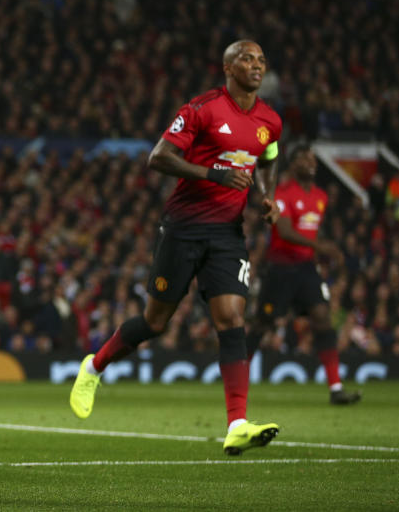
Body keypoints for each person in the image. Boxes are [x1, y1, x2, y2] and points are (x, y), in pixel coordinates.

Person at [70, 40, 283, 455]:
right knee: (155, 322)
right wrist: (213, 174)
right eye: (247, 59)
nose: (256, 65)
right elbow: (158, 157)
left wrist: (266, 196)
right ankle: (94, 367)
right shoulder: (202, 109)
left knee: (231, 319)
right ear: (227, 67)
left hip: (227, 232)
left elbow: (269, 157)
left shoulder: (270, 120)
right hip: (183, 227)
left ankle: (237, 422)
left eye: (261, 59)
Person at [247, 144, 361, 404]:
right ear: (293, 164)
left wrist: (322, 251)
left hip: (306, 269)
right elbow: (285, 231)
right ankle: (237, 374)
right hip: (280, 269)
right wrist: (321, 246)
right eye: (304, 159)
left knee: (323, 318)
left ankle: (335, 388)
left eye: (312, 158)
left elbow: (309, 233)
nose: (310, 162)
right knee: (262, 324)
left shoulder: (320, 196)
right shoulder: (284, 194)